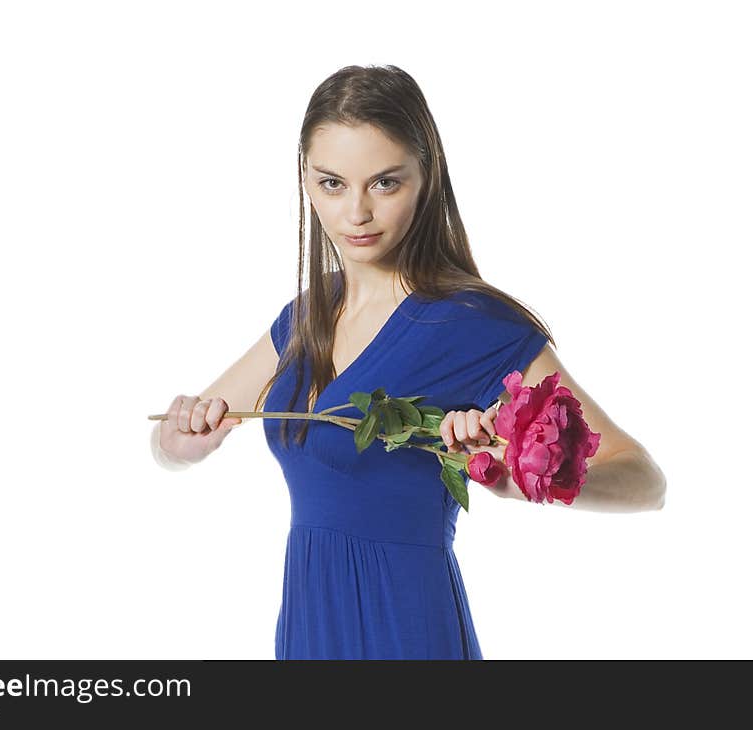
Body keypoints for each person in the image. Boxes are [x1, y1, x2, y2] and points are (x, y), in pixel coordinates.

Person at [151, 65, 667, 659]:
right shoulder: (306, 316)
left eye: (385, 183)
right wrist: (181, 443)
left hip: (407, 630)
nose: (356, 214)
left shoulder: (476, 324)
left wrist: (523, 478)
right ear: (306, 179)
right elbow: (173, 442)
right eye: (332, 183)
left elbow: (646, 482)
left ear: (427, 177)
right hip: (308, 630)